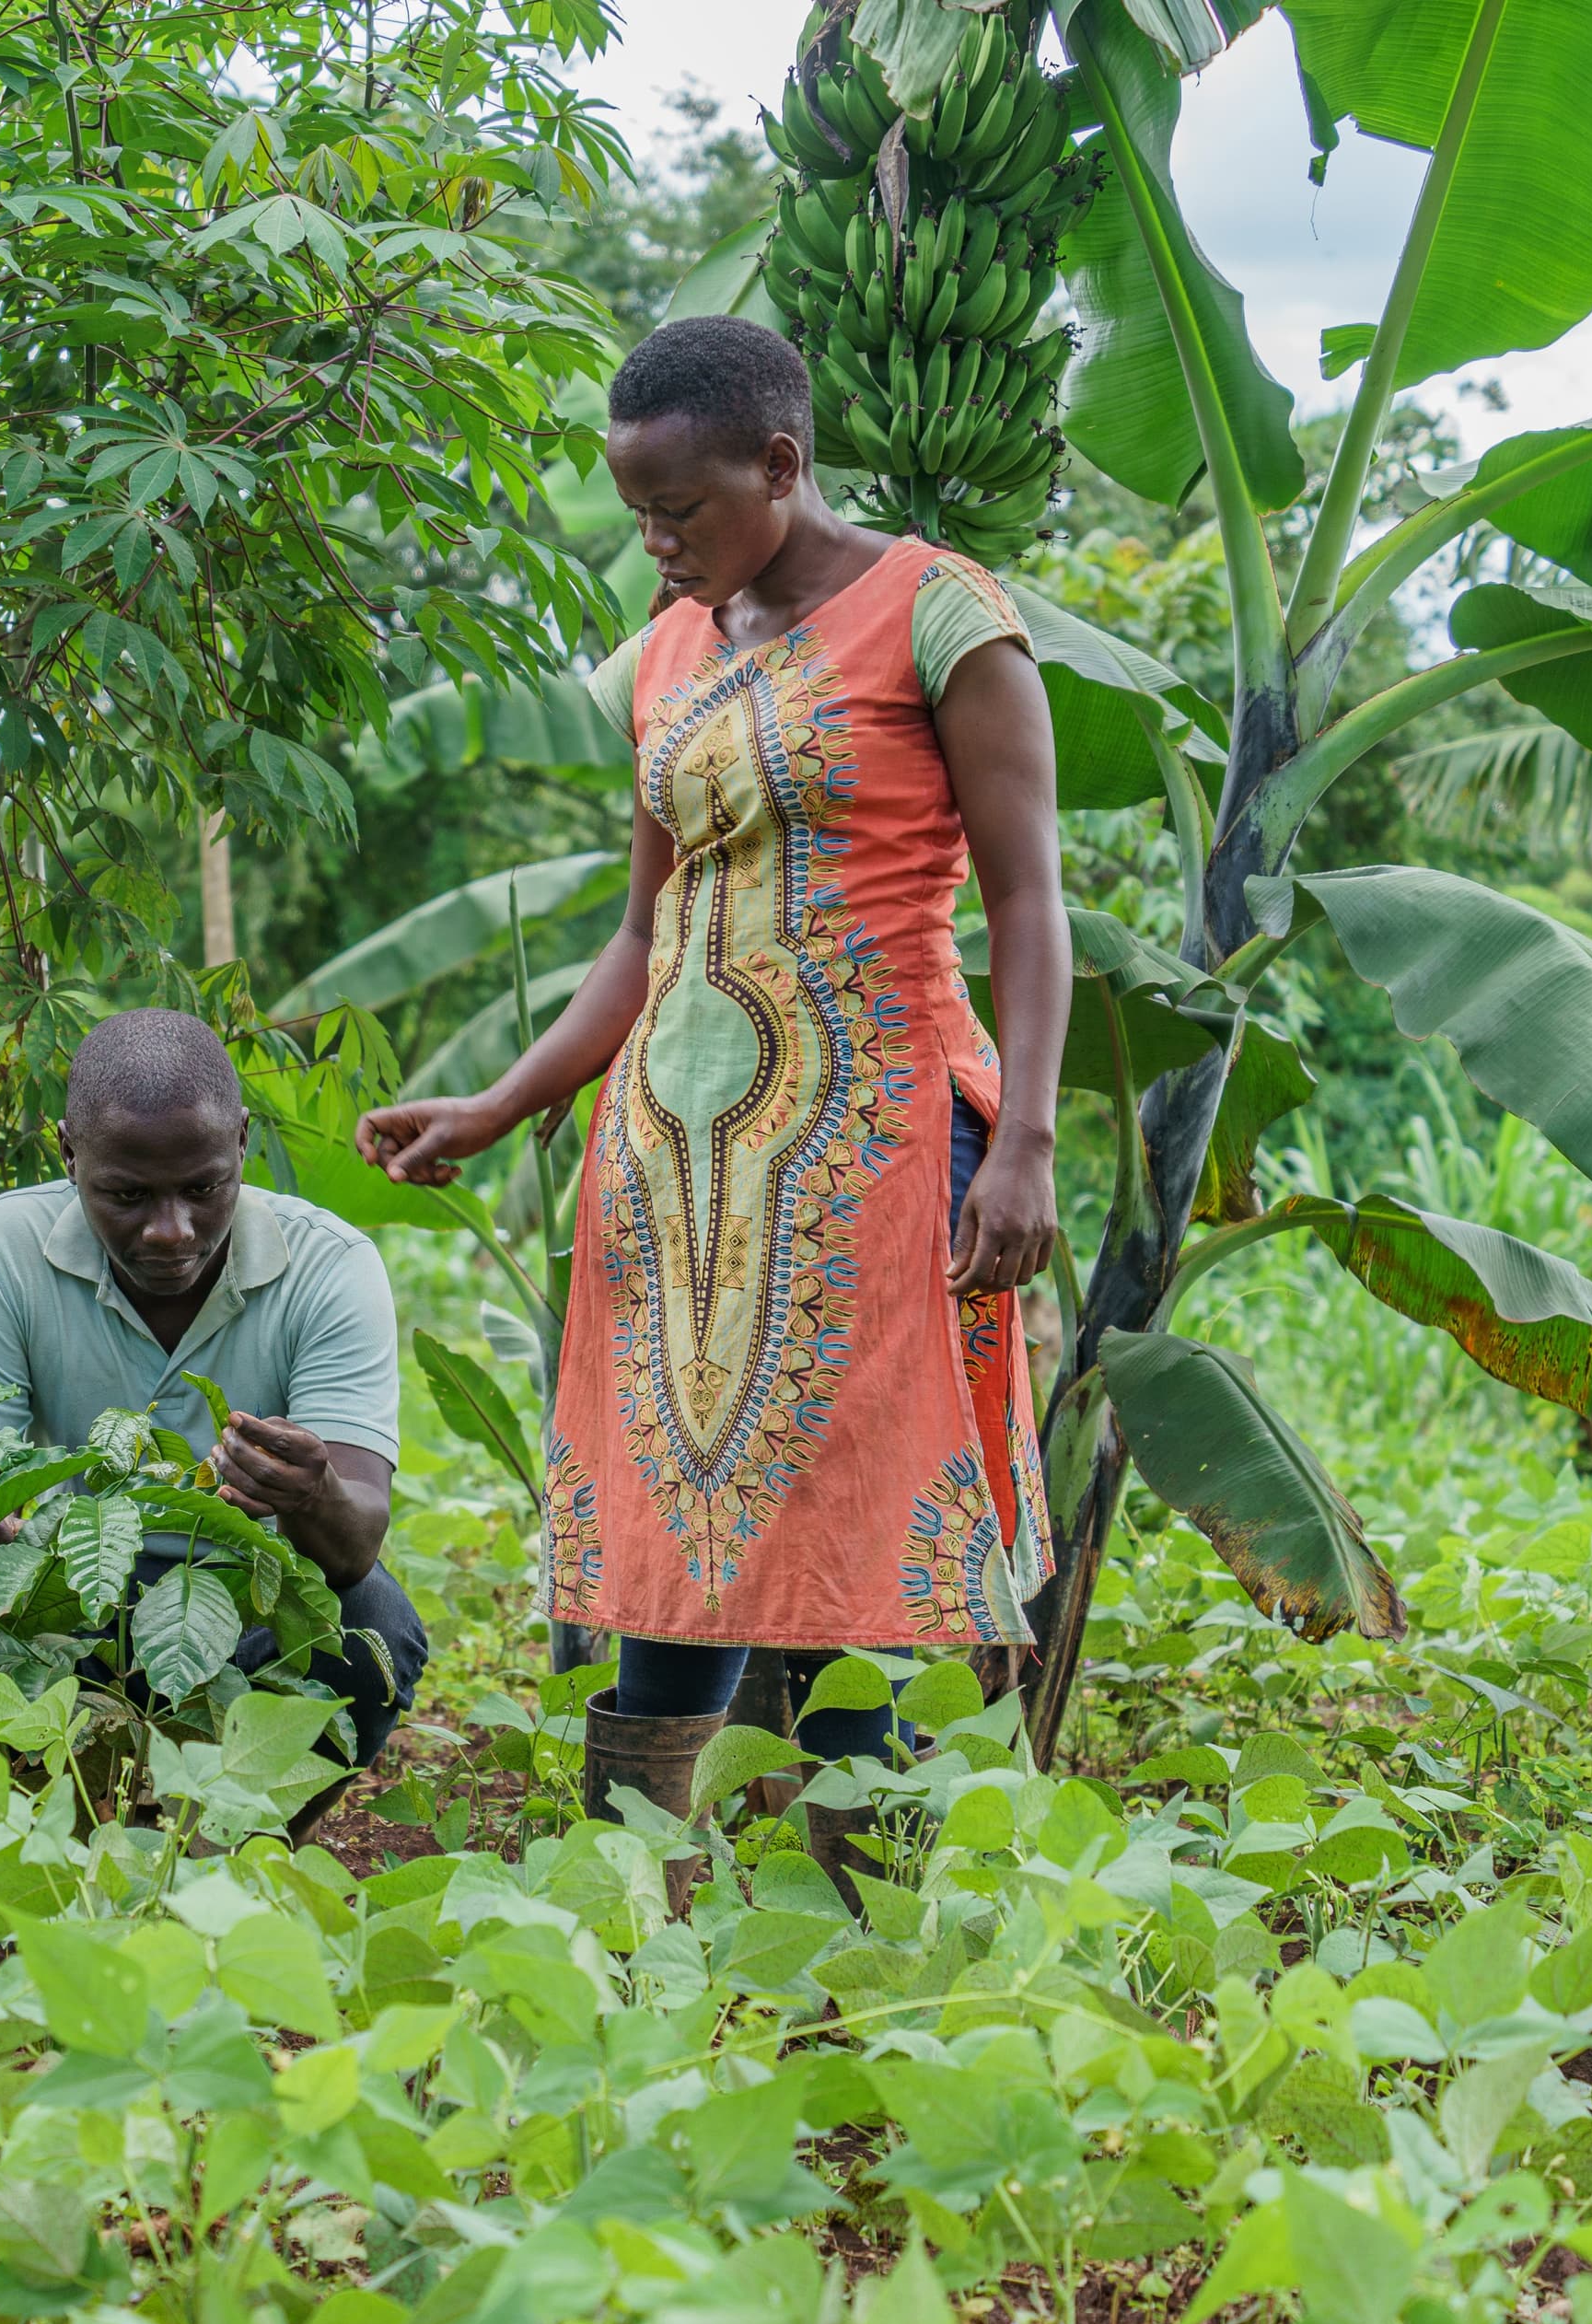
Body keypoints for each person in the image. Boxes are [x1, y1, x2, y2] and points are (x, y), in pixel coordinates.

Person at [357, 313, 1069, 1898]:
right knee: (666, 1537)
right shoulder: (673, 657)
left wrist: (1021, 1138)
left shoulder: (943, 619)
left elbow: (1029, 904)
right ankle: (630, 1910)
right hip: (670, 1168)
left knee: (859, 1538)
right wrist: (499, 1101)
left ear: (781, 465)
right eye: (639, 516)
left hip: (874, 1149)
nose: (660, 545)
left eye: (682, 511)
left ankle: (864, 1926)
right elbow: (644, 932)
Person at [0, 1007, 428, 1832]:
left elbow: (355, 1545)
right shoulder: (3, 1249)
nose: (170, 1230)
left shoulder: (330, 1268)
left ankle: (240, 1851)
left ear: (241, 1143)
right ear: (68, 1155)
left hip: (241, 1603)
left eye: (202, 1189)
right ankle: (33, 1845)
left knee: (371, 1630)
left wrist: (311, 1492)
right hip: (64, 1600)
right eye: (126, 1195)